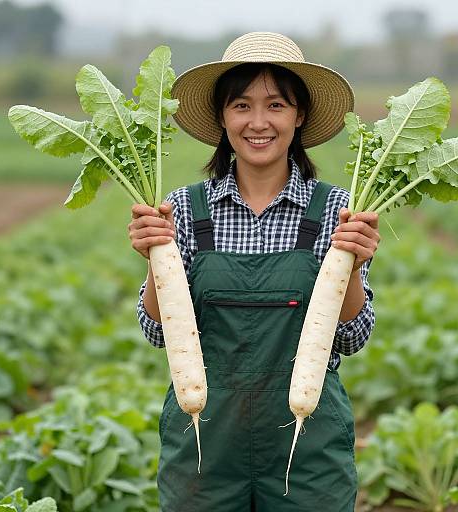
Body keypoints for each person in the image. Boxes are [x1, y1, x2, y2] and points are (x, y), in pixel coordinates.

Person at [129, 32, 380, 512]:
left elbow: (350, 338)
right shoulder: (181, 209)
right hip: (204, 445)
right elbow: (158, 333)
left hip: (308, 450)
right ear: (223, 117)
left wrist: (350, 264)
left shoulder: (339, 211)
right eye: (241, 106)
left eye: (277, 105)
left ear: (299, 115)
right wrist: (155, 260)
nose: (258, 122)